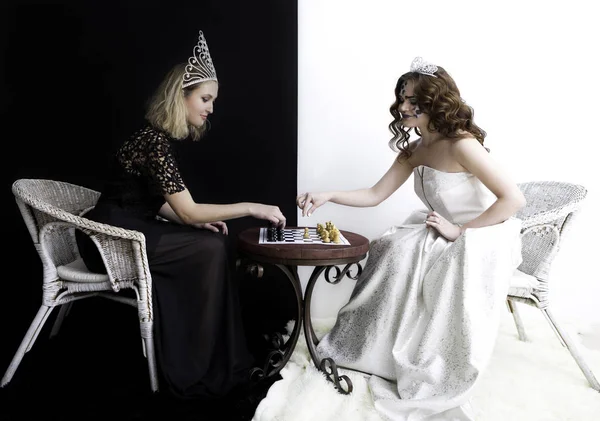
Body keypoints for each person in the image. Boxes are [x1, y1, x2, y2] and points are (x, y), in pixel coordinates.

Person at [296, 57, 526, 420]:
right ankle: (372, 346)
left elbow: (513, 200)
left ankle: (425, 359)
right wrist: (328, 195)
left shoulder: (462, 145)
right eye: (401, 98)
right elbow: (374, 194)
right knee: (390, 247)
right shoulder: (415, 149)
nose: (403, 107)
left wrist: (461, 231)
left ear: (437, 102)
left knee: (408, 253)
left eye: (412, 100)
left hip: (484, 232)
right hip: (443, 227)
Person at [75, 30, 285, 405]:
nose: (210, 108)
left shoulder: (155, 140)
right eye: (205, 99)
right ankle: (196, 365)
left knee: (210, 241)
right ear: (181, 96)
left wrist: (191, 221)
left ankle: (210, 355)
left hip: (126, 226)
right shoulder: (152, 141)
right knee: (207, 251)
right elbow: (184, 207)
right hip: (107, 238)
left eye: (212, 100)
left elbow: (155, 203)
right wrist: (251, 207)